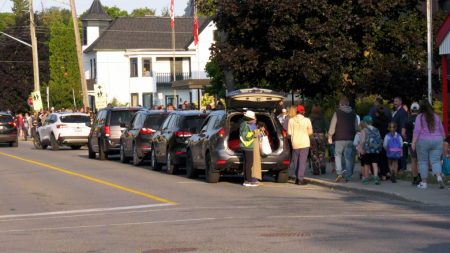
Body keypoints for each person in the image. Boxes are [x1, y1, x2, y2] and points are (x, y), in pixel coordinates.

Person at [412, 100, 446, 189]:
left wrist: (414, 142)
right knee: (435, 160)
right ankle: (439, 177)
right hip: (438, 140)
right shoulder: (436, 116)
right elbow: (441, 129)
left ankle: (424, 183)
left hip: (423, 141)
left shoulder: (420, 117)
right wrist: (443, 139)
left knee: (423, 161)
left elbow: (417, 130)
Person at [328, 96, 359, 182]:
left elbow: (332, 126)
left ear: (340, 104)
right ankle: (348, 176)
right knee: (348, 157)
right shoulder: (354, 114)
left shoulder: (337, 113)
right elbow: (356, 127)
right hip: (350, 138)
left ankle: (339, 173)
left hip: (339, 138)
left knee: (338, 155)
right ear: (348, 104)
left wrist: (330, 135)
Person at [288, 105, 313, 185]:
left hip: (295, 142)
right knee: (302, 161)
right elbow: (310, 132)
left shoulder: (291, 120)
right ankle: (300, 178)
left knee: (296, 161)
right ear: (303, 111)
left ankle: (297, 177)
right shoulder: (307, 120)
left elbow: (289, 132)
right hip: (304, 142)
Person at [358, 115, 382, 185]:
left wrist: (360, 148)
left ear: (365, 123)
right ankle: (376, 178)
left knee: (366, 164)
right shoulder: (376, 129)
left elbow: (362, 141)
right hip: (375, 150)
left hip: (367, 150)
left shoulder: (364, 130)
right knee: (375, 163)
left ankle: (366, 178)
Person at [240, 110, 259, 187]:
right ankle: (248, 180)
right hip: (248, 146)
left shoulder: (243, 124)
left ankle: (246, 180)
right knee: (249, 164)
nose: (254, 119)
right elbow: (246, 136)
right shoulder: (247, 125)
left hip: (244, 146)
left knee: (246, 163)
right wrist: (254, 133)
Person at [309, 104, 328, 175]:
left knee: (314, 153)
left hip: (313, 136)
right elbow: (327, 126)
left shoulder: (310, 117)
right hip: (321, 135)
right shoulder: (322, 117)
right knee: (322, 152)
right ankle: (322, 166)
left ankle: (316, 170)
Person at [405, 102, 421, 185]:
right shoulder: (421, 119)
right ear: (418, 110)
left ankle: (415, 178)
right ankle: (422, 177)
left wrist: (407, 139)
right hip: (421, 141)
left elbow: (403, 132)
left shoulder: (408, 120)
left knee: (414, 160)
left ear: (411, 110)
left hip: (412, 142)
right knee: (421, 160)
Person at [373, 105, 390, 180]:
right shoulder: (387, 119)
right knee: (385, 157)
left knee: (379, 157)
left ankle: (382, 174)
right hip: (386, 138)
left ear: (377, 113)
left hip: (378, 140)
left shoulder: (376, 120)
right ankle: (386, 172)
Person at [392, 96, 408, 171]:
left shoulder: (402, 111)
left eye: (396, 101)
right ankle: (400, 166)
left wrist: (402, 134)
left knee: (402, 151)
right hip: (397, 134)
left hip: (400, 134)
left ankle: (402, 167)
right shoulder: (398, 111)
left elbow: (403, 123)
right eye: (394, 101)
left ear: (400, 102)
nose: (395, 103)